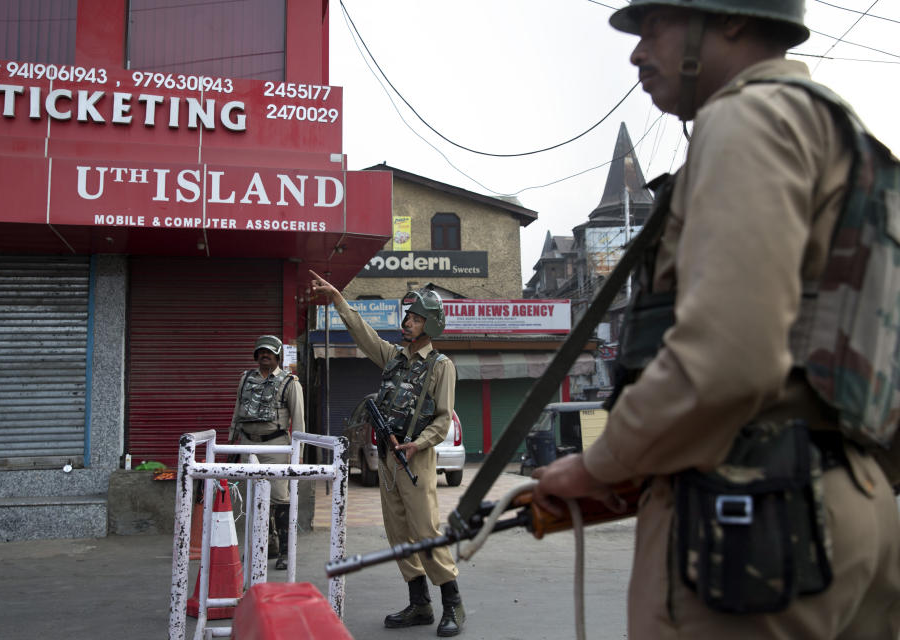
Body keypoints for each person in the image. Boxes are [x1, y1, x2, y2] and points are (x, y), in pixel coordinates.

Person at [532, 1, 900, 638]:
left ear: (728, 19)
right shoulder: (843, 135)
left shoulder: (745, 119)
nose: (636, 52)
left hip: (754, 518)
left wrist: (599, 465)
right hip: (855, 500)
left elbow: (728, 356)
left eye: (654, 26)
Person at [309, 270, 465, 637]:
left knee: (425, 531)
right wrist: (338, 300)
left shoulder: (441, 367)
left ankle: (452, 603)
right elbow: (364, 335)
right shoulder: (393, 357)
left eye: (413, 318)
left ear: (431, 324)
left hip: (417, 459)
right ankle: (420, 603)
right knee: (397, 533)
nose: (406, 322)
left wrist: (419, 444)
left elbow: (443, 420)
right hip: (388, 458)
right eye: (406, 317)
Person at [229, 335, 304, 571]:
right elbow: (237, 410)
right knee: (254, 497)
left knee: (280, 498)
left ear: (278, 356)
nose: (265, 355)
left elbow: (299, 420)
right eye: (261, 352)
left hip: (276, 446)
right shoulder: (245, 379)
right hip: (248, 444)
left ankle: (285, 551)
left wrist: (298, 453)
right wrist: (232, 442)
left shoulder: (290, 382)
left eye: (270, 353)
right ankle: (263, 547)